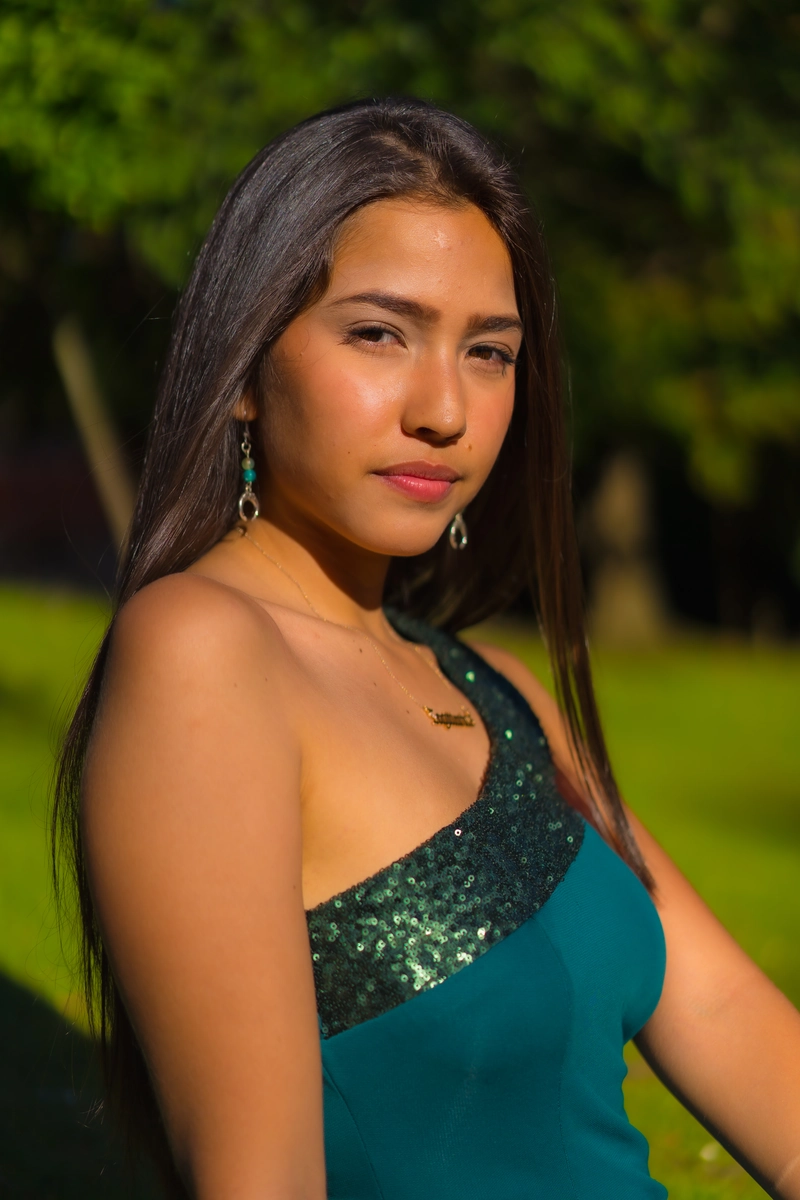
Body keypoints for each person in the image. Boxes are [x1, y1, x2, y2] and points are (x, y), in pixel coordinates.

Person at [53, 98, 800, 1200]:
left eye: (488, 352)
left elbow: (728, 1013)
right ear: (244, 370)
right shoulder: (202, 650)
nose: (444, 409)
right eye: (379, 333)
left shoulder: (495, 688)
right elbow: (259, 1179)